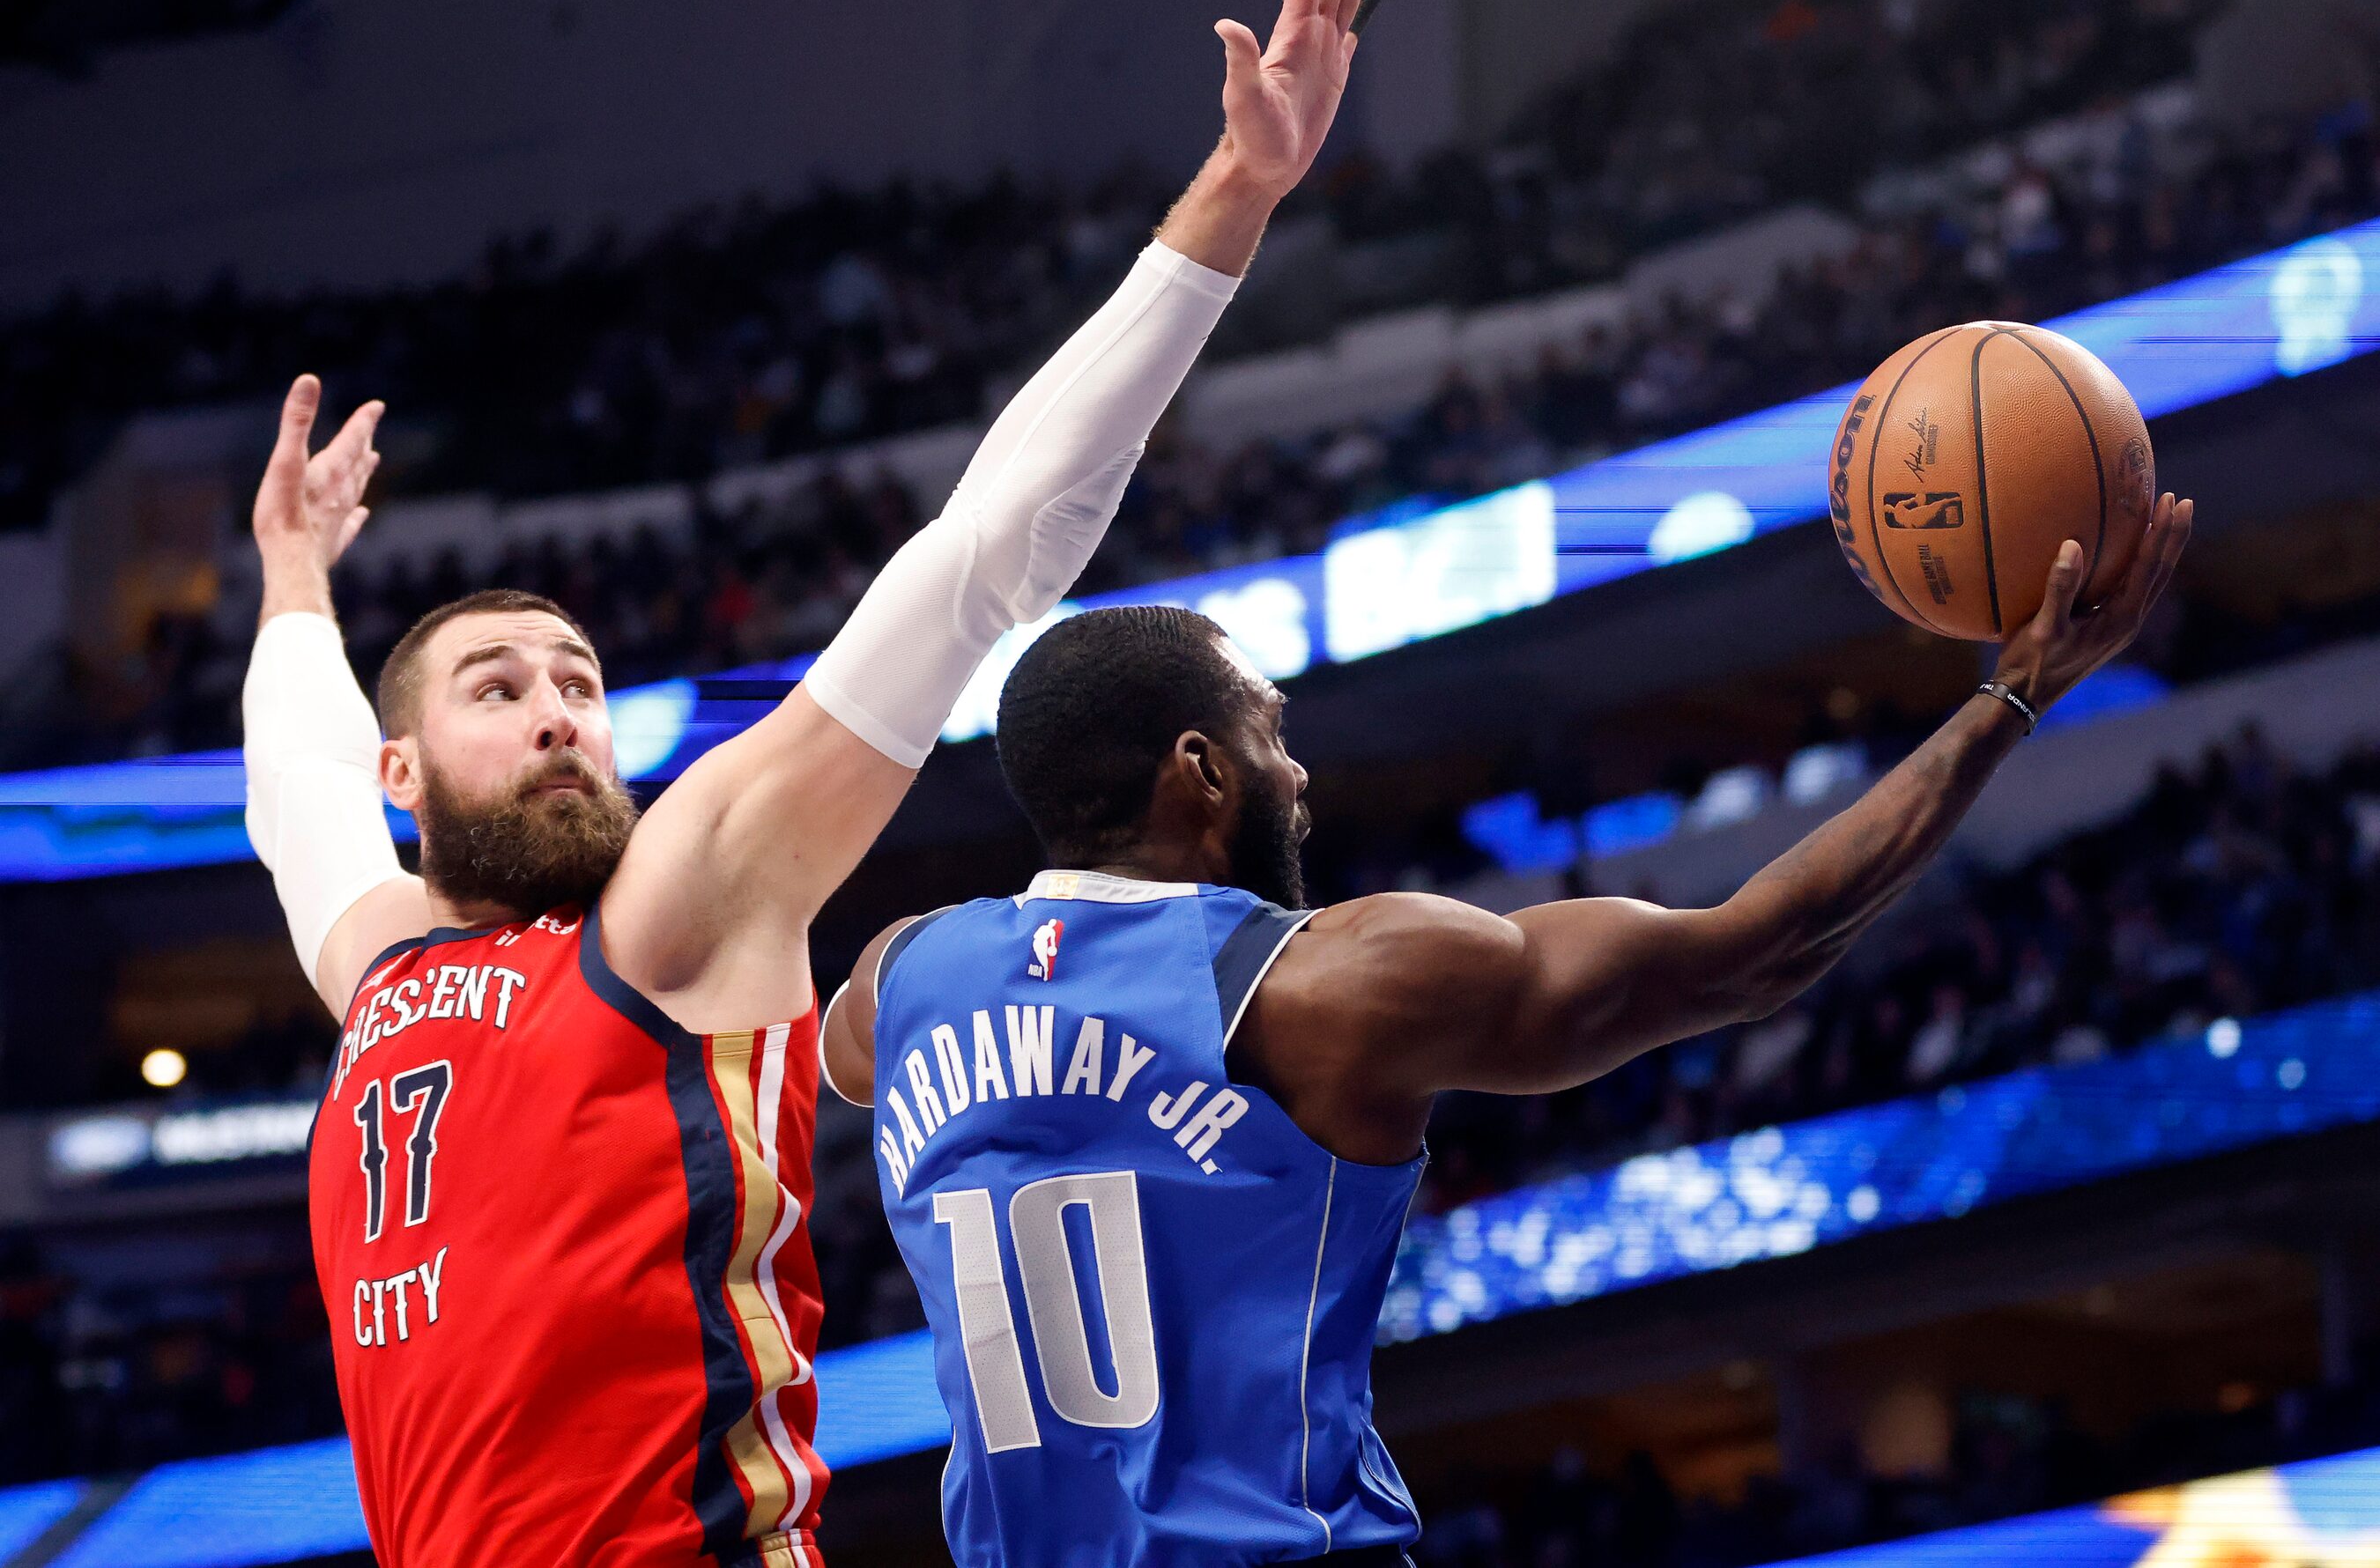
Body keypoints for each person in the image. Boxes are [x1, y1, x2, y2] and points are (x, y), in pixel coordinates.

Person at [241, 0, 1383, 1561]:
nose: (562, 707)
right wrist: (293, 573)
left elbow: (981, 555)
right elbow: (298, 799)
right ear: (402, 771)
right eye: (499, 688)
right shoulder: (382, 973)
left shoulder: (677, 909)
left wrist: (1231, 200)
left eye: (575, 679)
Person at [822, 497, 2195, 1566]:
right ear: (1202, 766)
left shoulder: (894, 989)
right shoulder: (1324, 984)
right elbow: (1753, 952)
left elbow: (825, 1045)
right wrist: (2004, 702)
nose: (1298, 775)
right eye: (1273, 732)